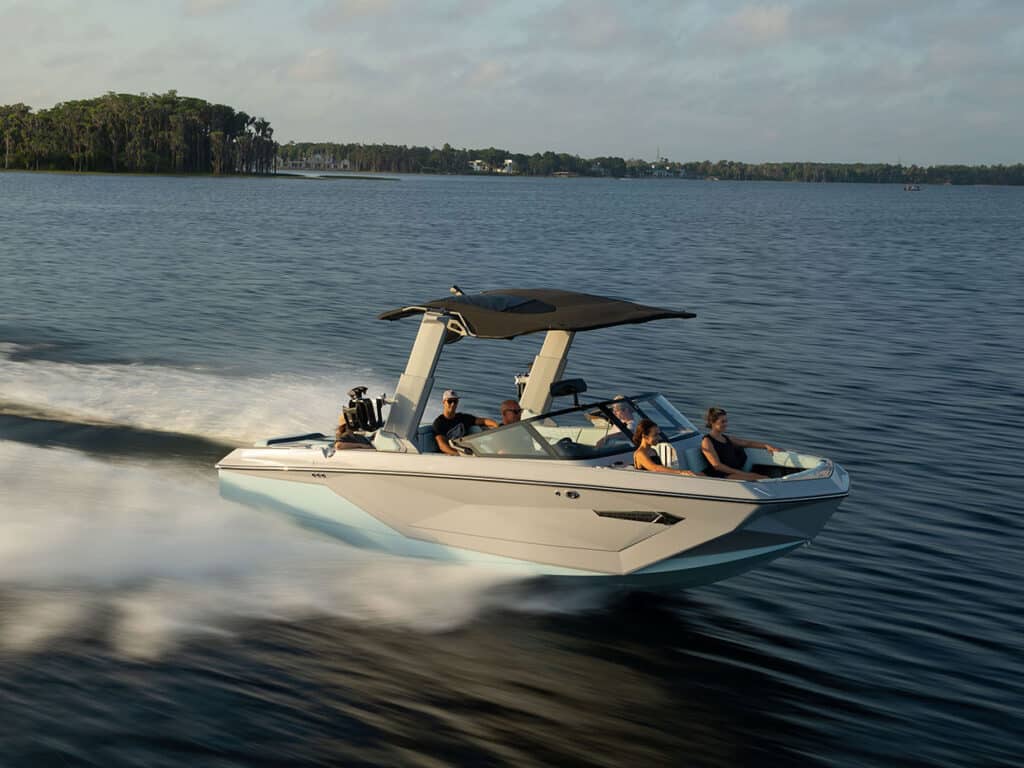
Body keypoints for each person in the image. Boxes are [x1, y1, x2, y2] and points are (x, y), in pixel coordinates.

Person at [701, 406, 778, 480]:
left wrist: (766, 446)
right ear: (712, 423)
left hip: (732, 472)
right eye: (722, 422)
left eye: (726, 421)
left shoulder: (726, 438)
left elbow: (747, 443)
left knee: (764, 478)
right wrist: (743, 474)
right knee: (762, 479)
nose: (726, 424)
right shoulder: (707, 441)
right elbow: (717, 466)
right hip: (720, 475)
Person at [432, 389, 498, 456]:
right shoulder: (439, 423)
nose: (453, 404)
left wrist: (497, 426)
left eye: (455, 401)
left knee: (477, 431)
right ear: (443, 402)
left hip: (468, 450)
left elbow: (483, 421)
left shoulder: (462, 418)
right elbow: (442, 446)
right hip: (453, 454)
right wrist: (459, 455)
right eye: (450, 401)